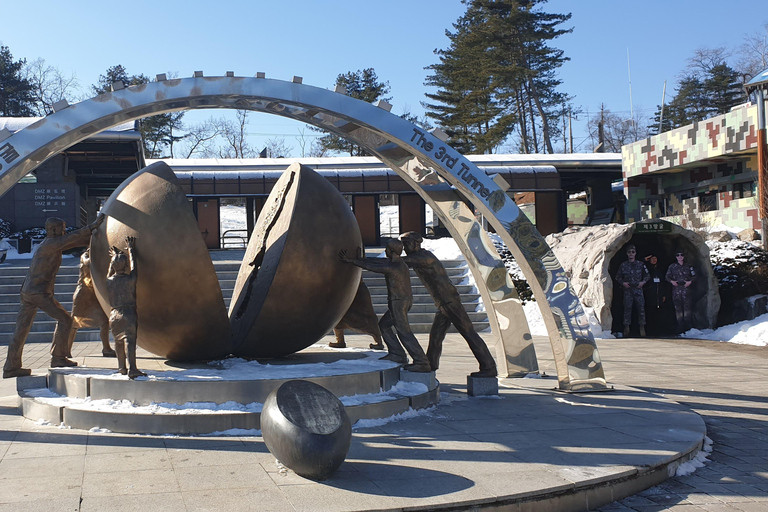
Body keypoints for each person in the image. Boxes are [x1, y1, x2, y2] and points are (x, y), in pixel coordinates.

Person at [3, 215, 104, 378]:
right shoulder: (50, 244)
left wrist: (93, 239)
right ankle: (58, 357)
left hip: (29, 291)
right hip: (38, 293)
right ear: (53, 230)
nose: (64, 231)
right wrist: (91, 227)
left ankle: (11, 366)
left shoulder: (50, 244)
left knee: (21, 329)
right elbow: (70, 239)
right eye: (62, 228)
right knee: (66, 320)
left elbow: (72, 242)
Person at [400, 232, 497, 378]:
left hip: (449, 301)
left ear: (415, 243)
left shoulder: (423, 257)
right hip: (443, 302)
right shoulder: (421, 256)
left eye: (406, 244)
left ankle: (488, 367)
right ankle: (431, 363)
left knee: (468, 332)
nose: (404, 248)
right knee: (436, 335)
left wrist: (362, 261)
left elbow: (399, 262)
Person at [339, 241, 431, 372]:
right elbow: (378, 262)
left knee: (404, 332)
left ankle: (422, 361)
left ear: (391, 251)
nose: (386, 251)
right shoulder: (398, 263)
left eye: (387, 249)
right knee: (384, 326)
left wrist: (352, 261)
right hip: (401, 301)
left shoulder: (394, 267)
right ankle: (397, 353)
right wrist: (358, 259)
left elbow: (374, 267)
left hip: (398, 302)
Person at [107, 236, 145, 379]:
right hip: (128, 312)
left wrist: (113, 258)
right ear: (125, 267)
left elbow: (110, 271)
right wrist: (130, 250)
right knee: (130, 341)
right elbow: (134, 265)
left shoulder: (108, 281)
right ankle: (133, 369)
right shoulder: (131, 279)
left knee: (117, 341)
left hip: (113, 314)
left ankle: (122, 367)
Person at [67, 248, 116, 359]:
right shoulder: (85, 256)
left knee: (104, 321)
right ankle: (66, 349)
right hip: (83, 294)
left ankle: (106, 348)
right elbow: (88, 262)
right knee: (75, 323)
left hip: (95, 294)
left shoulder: (100, 257)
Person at [329, 279, 385, 350]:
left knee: (367, 315)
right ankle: (340, 341)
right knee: (339, 315)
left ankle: (379, 342)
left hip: (357, 287)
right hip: (345, 287)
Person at [615, 244, 649, 338]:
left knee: (641, 309)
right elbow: (618, 276)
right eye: (629, 252)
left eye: (633, 252)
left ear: (635, 253)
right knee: (627, 309)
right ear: (627, 253)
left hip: (638, 290)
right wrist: (623, 283)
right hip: (628, 290)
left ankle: (642, 327)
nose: (631, 254)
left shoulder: (640, 264)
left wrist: (643, 282)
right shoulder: (623, 265)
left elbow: (647, 275)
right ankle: (626, 328)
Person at [666, 250, 696, 334]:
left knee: (687, 309)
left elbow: (694, 276)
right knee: (678, 309)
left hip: (686, 291)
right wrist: (672, 281)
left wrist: (689, 282)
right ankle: (680, 326)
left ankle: (688, 327)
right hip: (676, 291)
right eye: (677, 255)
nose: (680, 257)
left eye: (681, 255)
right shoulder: (672, 267)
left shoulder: (688, 266)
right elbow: (667, 277)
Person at [643, 254, 667, 336]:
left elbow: (663, 282)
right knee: (650, 312)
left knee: (659, 313)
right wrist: (645, 260)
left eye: (655, 258)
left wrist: (664, 294)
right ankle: (650, 331)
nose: (654, 260)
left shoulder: (660, 269)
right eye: (652, 259)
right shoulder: (647, 268)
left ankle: (659, 330)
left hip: (659, 294)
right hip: (650, 293)